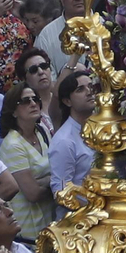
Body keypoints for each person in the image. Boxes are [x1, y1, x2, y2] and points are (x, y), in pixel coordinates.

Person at [0, 82, 54, 243]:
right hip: (29, 229)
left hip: (50, 222)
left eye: (35, 99)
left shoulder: (42, 132)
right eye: (25, 101)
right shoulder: (12, 144)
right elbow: (33, 193)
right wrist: (54, 180)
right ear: (13, 111)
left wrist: (44, 181)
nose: (33, 103)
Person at [47, 71, 95, 209]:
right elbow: (61, 191)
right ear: (67, 101)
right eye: (80, 89)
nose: (89, 92)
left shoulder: (104, 127)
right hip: (80, 217)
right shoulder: (64, 140)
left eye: (91, 86)